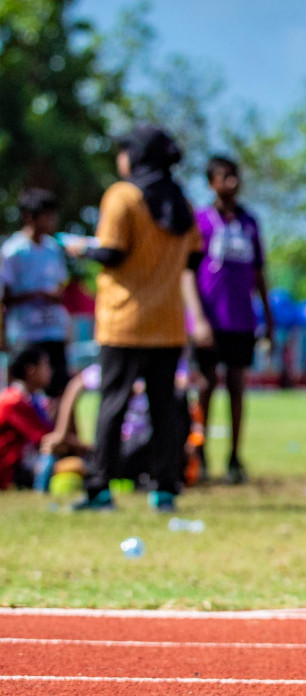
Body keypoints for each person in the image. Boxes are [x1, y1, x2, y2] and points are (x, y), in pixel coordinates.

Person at [65, 126, 209, 514]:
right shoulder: (182, 202)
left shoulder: (122, 196)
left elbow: (111, 253)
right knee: (166, 410)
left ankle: (99, 490)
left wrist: (83, 249)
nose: (119, 158)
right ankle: (165, 490)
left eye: (124, 150)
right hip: (167, 324)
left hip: (124, 321)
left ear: (138, 156)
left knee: (113, 405)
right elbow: (194, 259)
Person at [192, 155, 273, 484]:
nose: (232, 182)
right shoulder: (201, 221)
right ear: (211, 182)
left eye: (236, 176)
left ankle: (235, 457)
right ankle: (198, 454)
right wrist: (196, 318)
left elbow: (259, 273)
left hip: (241, 321)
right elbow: (188, 271)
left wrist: (268, 316)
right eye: (225, 176)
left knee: (237, 387)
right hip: (209, 321)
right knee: (206, 386)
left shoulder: (250, 223)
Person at [1, 189, 73, 415]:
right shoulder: (13, 252)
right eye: (47, 215)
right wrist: (37, 295)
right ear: (29, 217)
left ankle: (57, 443)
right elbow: (5, 297)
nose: (52, 221)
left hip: (52, 331)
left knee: (60, 393)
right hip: (25, 334)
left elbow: (61, 288)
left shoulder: (53, 249)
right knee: (22, 396)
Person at [0, 346, 88, 490]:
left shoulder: (32, 399)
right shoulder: (13, 402)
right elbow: (46, 439)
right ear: (31, 370)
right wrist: (85, 447)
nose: (50, 371)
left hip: (22, 465)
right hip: (10, 472)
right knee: (76, 467)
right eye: (46, 365)